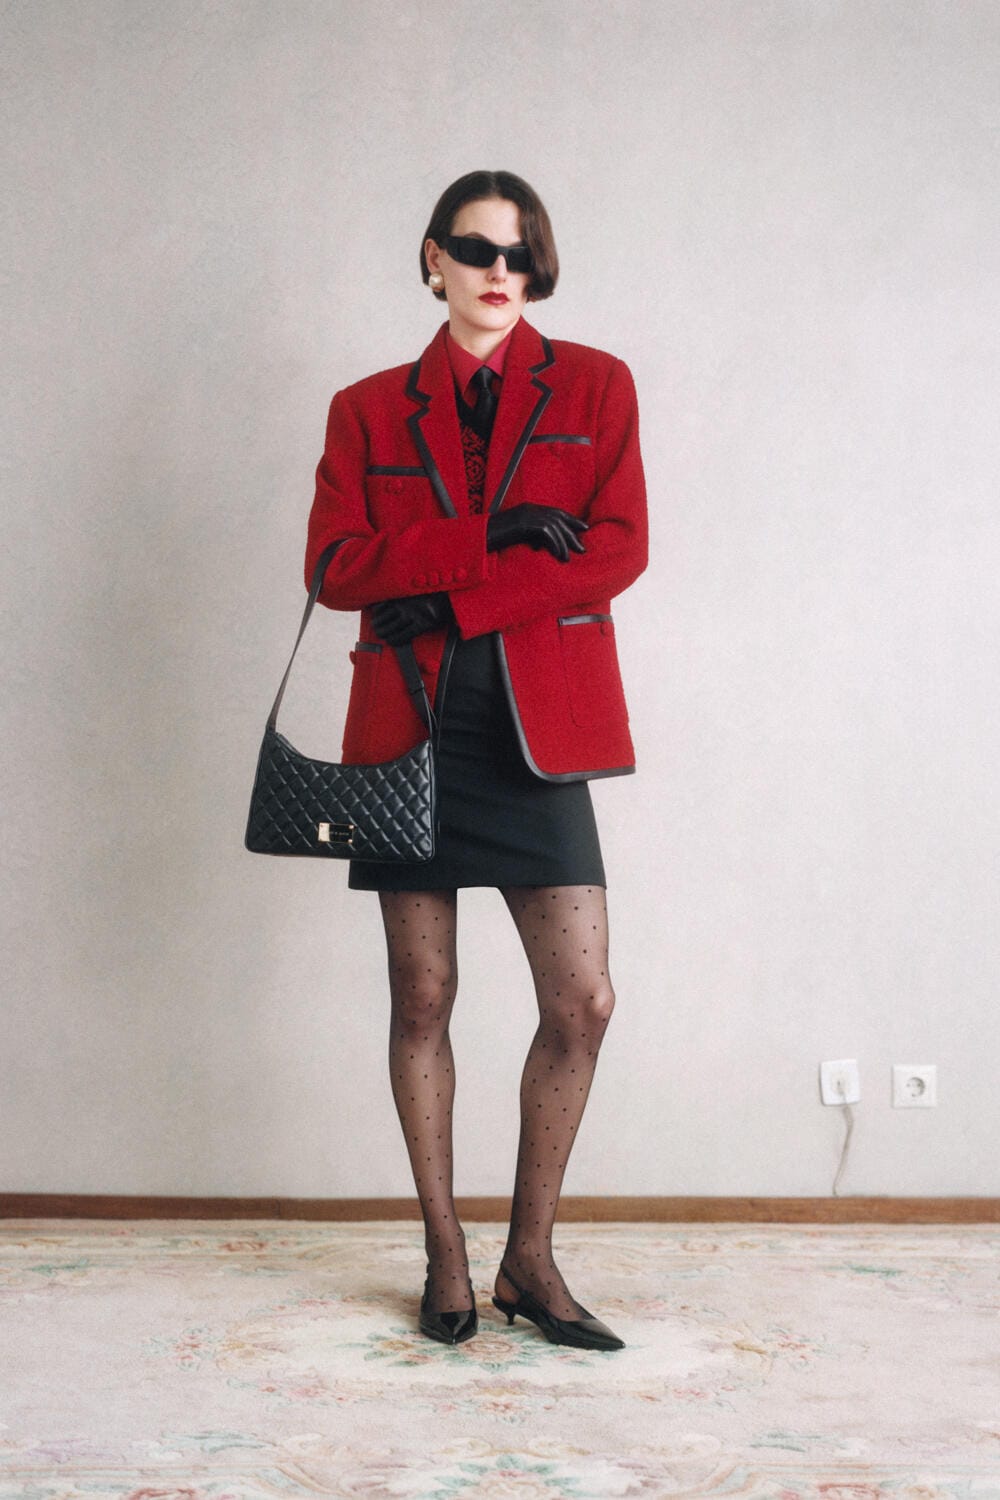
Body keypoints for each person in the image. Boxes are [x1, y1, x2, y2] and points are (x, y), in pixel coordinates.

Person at [305, 170, 647, 1350]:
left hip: (538, 731)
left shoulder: (595, 386)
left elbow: (616, 552)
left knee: (582, 1000)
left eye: (521, 255)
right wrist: (485, 532)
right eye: (478, 249)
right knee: (423, 996)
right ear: (433, 258)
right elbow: (335, 568)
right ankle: (446, 1253)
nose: (502, 273)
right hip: (407, 729)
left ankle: (529, 1258)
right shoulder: (366, 408)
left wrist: (456, 592)